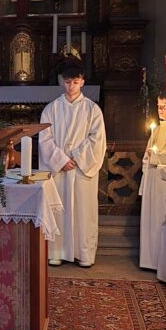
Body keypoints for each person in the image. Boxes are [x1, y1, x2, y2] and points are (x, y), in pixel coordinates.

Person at [39, 62, 106, 267]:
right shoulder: (51, 109)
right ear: (62, 82)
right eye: (67, 82)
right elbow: (45, 138)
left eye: (75, 82)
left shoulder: (92, 109)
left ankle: (83, 253)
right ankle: (56, 251)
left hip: (80, 169)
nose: (71, 87)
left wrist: (76, 157)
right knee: (58, 210)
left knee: (83, 212)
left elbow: (97, 138)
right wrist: (60, 159)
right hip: (60, 170)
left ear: (82, 82)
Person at [139, 94, 166, 271]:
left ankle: (161, 262)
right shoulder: (156, 129)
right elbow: (147, 155)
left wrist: (155, 156)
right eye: (159, 106)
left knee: (161, 218)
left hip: (164, 180)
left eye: (165, 106)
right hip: (152, 179)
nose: (161, 109)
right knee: (150, 219)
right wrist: (148, 158)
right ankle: (149, 259)